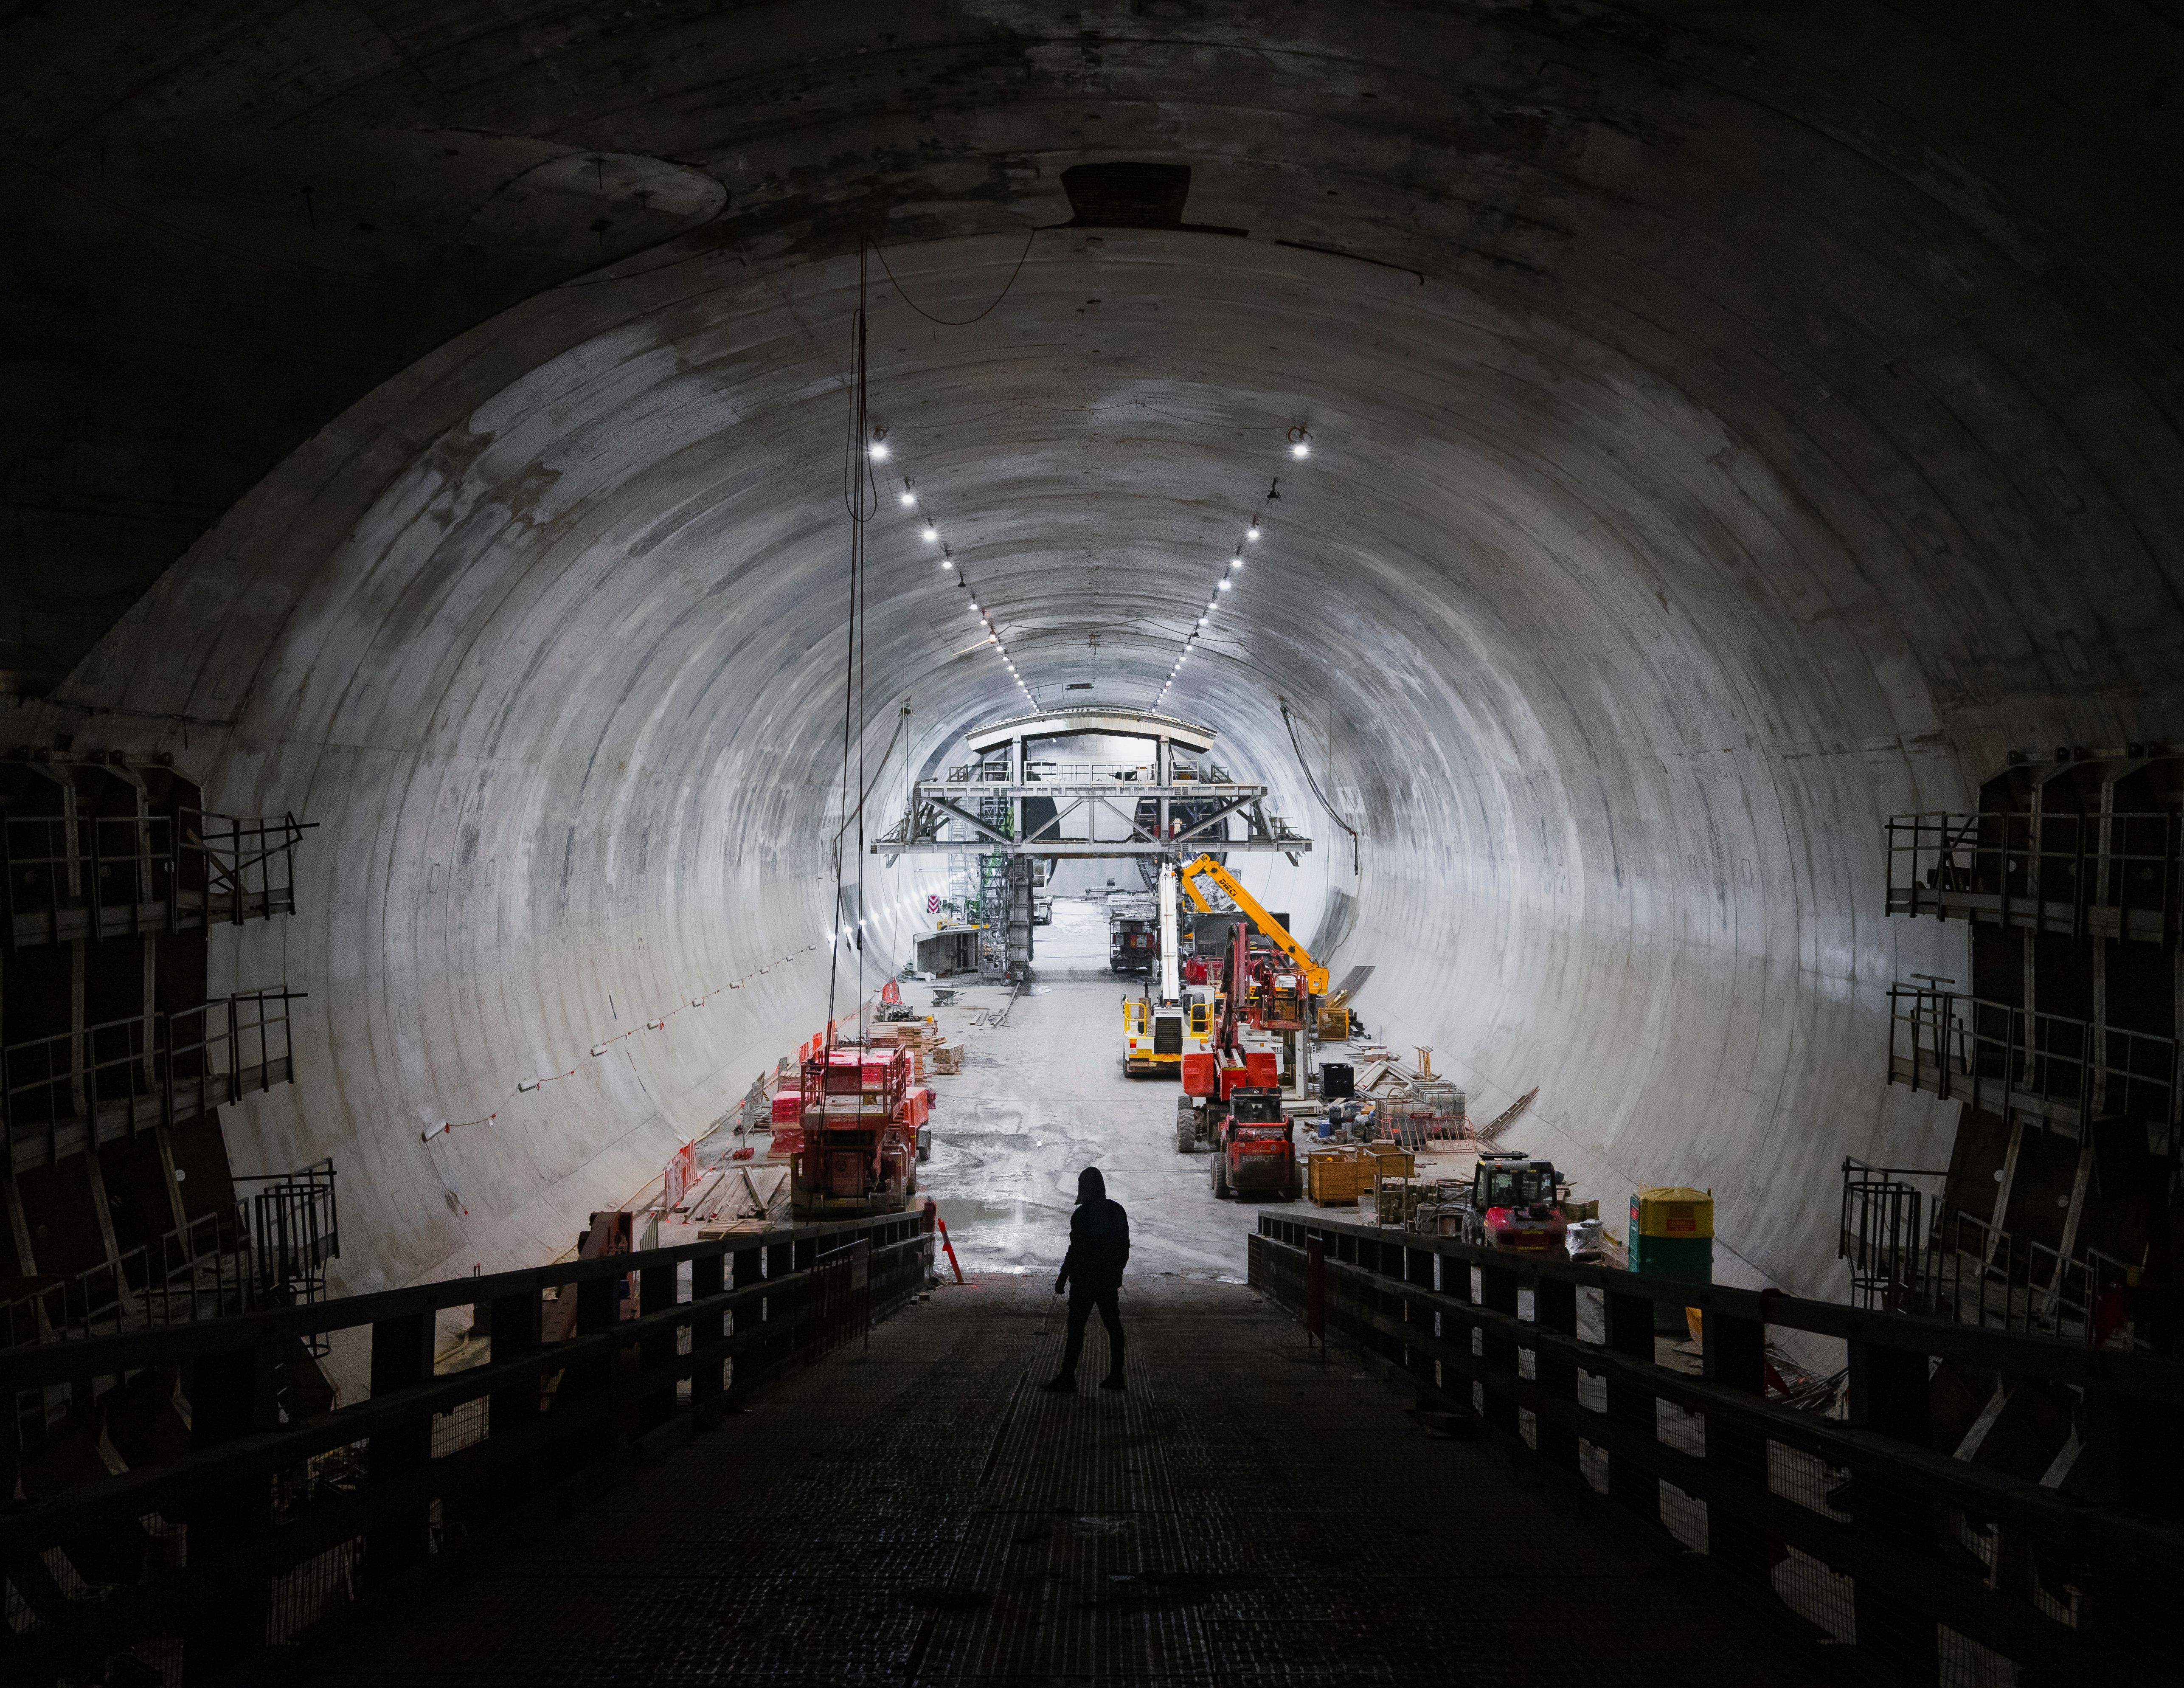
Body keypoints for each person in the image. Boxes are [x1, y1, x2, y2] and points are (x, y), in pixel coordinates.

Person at [1042, 1166, 1130, 1393]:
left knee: (1076, 1330)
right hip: (1107, 1282)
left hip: (1084, 1282)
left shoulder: (1081, 1216)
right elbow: (1123, 1248)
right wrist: (1116, 1274)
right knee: (1114, 1327)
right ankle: (1117, 1375)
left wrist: (1063, 1277)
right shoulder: (1117, 1211)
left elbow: (1076, 1251)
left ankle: (1068, 1377)